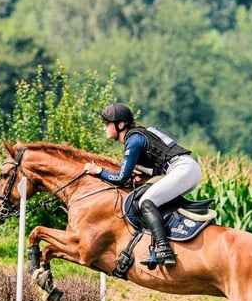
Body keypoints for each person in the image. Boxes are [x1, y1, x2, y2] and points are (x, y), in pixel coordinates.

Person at [84, 102, 202, 267]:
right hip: (185, 170)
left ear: (120, 124)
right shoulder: (136, 137)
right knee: (152, 198)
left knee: (146, 202)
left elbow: (121, 179)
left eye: (107, 124)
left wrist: (98, 171)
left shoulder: (134, 140)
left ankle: (164, 249)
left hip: (183, 169)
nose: (104, 127)